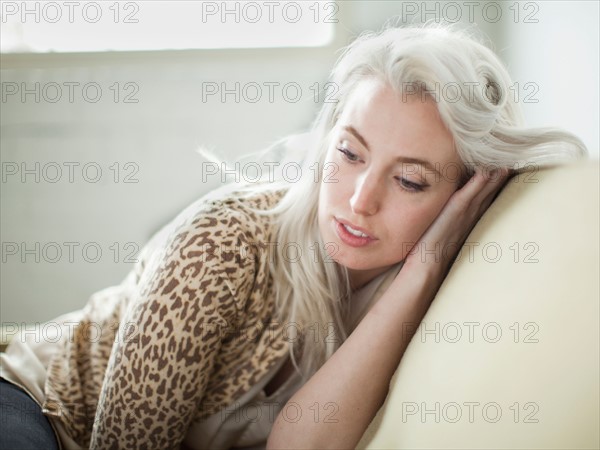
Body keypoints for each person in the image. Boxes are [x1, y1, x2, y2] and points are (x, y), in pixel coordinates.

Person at [0, 22, 587, 450]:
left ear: (462, 195)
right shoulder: (225, 241)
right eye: (349, 152)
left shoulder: (426, 287)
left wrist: (426, 266)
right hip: (39, 404)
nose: (360, 200)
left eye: (409, 180)